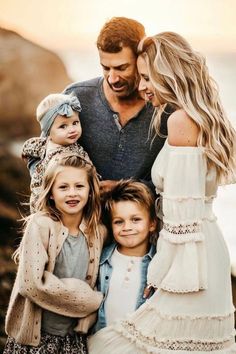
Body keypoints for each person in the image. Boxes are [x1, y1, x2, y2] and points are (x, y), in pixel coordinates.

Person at [88, 32, 236, 353]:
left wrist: (155, 271)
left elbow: (182, 222)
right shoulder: (204, 117)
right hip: (205, 250)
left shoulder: (181, 121)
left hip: (189, 260)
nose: (141, 87)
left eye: (146, 77)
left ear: (168, 73)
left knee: (115, 346)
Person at [4, 153, 107, 354]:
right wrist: (92, 301)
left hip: (73, 340)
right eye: (63, 187)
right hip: (36, 339)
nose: (72, 193)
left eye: (79, 186)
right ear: (51, 192)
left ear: (90, 191)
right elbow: (32, 285)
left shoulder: (98, 233)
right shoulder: (41, 226)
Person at [64, 17, 172, 193]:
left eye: (121, 68)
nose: (112, 79)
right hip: (83, 218)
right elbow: (43, 157)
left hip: (144, 219)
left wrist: (122, 189)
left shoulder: (166, 108)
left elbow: (178, 181)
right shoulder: (75, 97)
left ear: (141, 58)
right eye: (106, 68)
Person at [93, 179, 157, 333]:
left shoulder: (158, 264)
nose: (127, 227)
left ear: (152, 224)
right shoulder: (100, 260)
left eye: (136, 220)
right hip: (102, 342)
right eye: (119, 222)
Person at [22, 93, 91, 211]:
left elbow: (89, 167)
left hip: (67, 198)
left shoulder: (77, 148)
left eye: (75, 123)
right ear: (48, 132)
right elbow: (29, 146)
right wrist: (26, 153)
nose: (72, 130)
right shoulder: (49, 148)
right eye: (63, 126)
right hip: (43, 201)